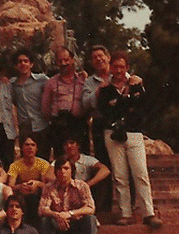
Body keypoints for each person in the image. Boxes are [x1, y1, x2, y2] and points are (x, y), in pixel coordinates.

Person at [97, 53, 162, 229]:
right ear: (111, 68)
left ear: (127, 68)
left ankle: (149, 213)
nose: (118, 70)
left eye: (121, 66)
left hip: (133, 132)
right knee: (120, 175)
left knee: (140, 173)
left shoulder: (136, 84)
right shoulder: (105, 88)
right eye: (115, 66)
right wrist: (126, 100)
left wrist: (120, 101)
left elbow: (143, 107)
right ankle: (125, 213)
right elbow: (104, 110)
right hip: (112, 133)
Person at [79, 46, 113, 211]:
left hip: (120, 122)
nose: (99, 60)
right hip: (101, 122)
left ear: (108, 57)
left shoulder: (120, 75)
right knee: (103, 162)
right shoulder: (90, 82)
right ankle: (104, 204)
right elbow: (85, 104)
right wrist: (98, 92)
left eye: (101, 56)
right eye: (95, 58)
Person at [41, 49, 85, 157]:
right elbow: (45, 107)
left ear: (73, 60)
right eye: (60, 61)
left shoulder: (82, 79)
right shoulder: (50, 82)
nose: (63, 63)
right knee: (60, 158)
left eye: (66, 60)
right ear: (56, 63)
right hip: (59, 126)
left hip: (78, 124)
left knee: (81, 157)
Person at [46, 139, 109, 214]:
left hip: (83, 190)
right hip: (64, 191)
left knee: (101, 183)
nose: (69, 146)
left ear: (78, 145)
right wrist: (64, 182)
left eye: (72, 143)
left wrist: (87, 184)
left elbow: (105, 170)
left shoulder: (87, 159)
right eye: (66, 144)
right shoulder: (60, 161)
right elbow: (48, 176)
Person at [37, 157, 95, 234]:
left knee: (90, 218)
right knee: (45, 220)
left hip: (77, 221)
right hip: (58, 222)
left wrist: (70, 214)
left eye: (66, 168)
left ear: (72, 171)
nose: (62, 171)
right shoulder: (49, 187)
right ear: (55, 172)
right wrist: (57, 216)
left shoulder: (82, 186)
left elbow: (90, 208)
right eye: (59, 169)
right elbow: (42, 209)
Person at [10, 51, 49, 157]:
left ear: (31, 64)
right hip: (24, 128)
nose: (23, 64)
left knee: (43, 159)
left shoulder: (42, 80)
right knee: (26, 161)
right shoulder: (12, 84)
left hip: (41, 126)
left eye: (26, 61)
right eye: (19, 62)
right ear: (16, 66)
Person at [6, 136, 49, 227]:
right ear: (22, 148)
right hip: (21, 196)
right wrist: (21, 186)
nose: (30, 147)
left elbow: (47, 185)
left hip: (38, 196)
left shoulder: (43, 163)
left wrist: (37, 183)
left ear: (36, 148)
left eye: (33, 145)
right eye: (27, 145)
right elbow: (10, 186)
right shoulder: (15, 165)